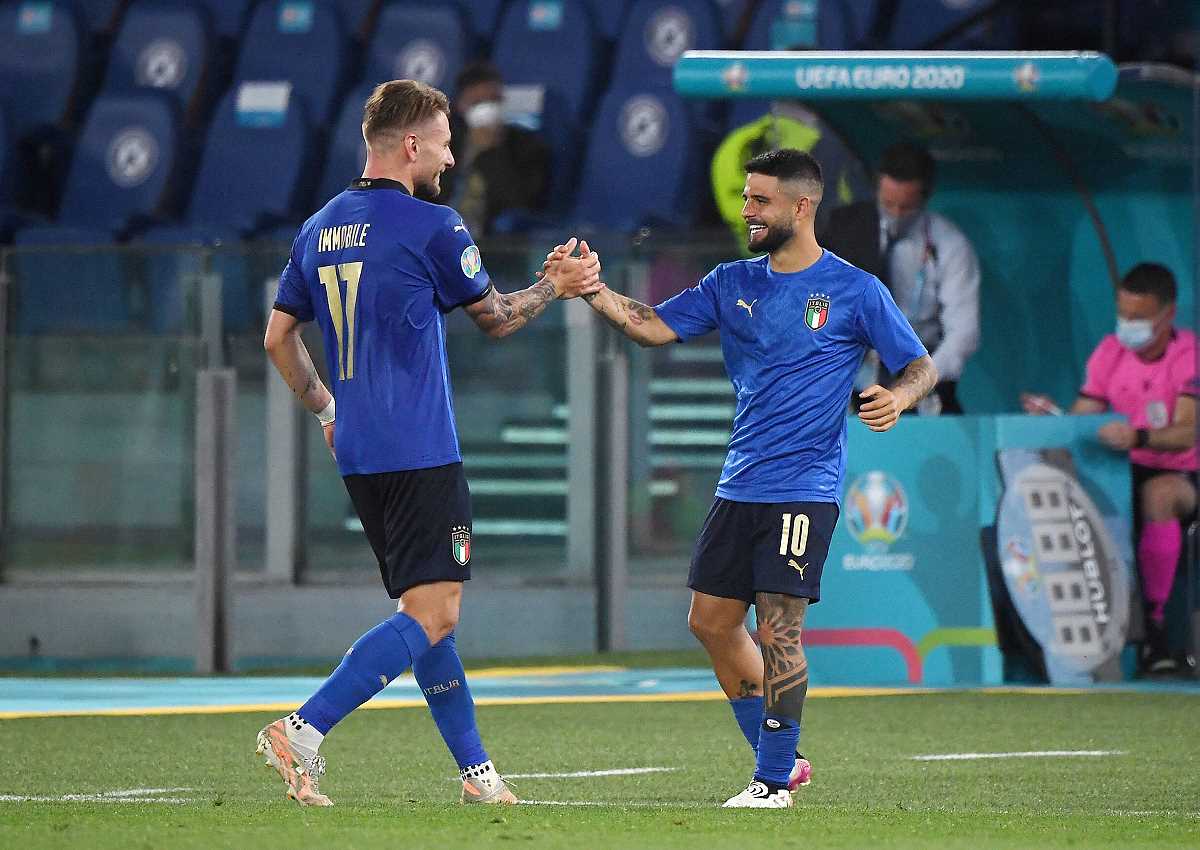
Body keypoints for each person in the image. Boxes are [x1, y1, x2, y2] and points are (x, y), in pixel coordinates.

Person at [545, 149, 936, 807]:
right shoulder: (731, 282)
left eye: (760, 200)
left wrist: (898, 397)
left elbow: (919, 364)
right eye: (747, 198)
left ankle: (772, 781)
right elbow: (654, 325)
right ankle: (783, 757)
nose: (747, 210)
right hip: (739, 483)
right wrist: (593, 290)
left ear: (801, 206)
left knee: (779, 629)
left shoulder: (855, 289)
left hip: (803, 489)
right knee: (711, 622)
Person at [257, 79, 601, 807]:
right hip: (418, 447)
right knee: (434, 613)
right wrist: (557, 286)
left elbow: (278, 336)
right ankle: (303, 729)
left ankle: (479, 776)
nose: (450, 158)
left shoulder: (318, 227)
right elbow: (496, 318)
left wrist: (325, 410)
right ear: (411, 144)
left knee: (431, 617)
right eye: (444, 144)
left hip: (359, 449)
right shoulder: (433, 226)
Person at [1021, 262, 1197, 674]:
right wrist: (1054, 417)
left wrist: (1138, 437)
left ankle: (1155, 629)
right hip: (1121, 471)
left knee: (1159, 495)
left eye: (1139, 318)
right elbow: (1083, 416)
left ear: (1168, 314)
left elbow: (1188, 431)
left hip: (1181, 475)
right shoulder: (1110, 351)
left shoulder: (1188, 356)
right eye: (1123, 315)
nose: (1128, 326)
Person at [821, 142, 979, 413]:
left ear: (925, 198)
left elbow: (963, 334)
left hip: (924, 385)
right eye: (887, 204)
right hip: (855, 384)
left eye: (906, 207)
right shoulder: (843, 231)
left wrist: (913, 385)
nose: (895, 215)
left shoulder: (949, 245)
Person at [437, 60, 551, 235]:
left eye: (493, 101)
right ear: (461, 105)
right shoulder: (445, 141)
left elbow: (519, 202)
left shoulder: (527, 146)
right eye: (477, 103)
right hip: (440, 232)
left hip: (489, 241)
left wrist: (491, 152)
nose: (487, 110)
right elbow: (431, 194)